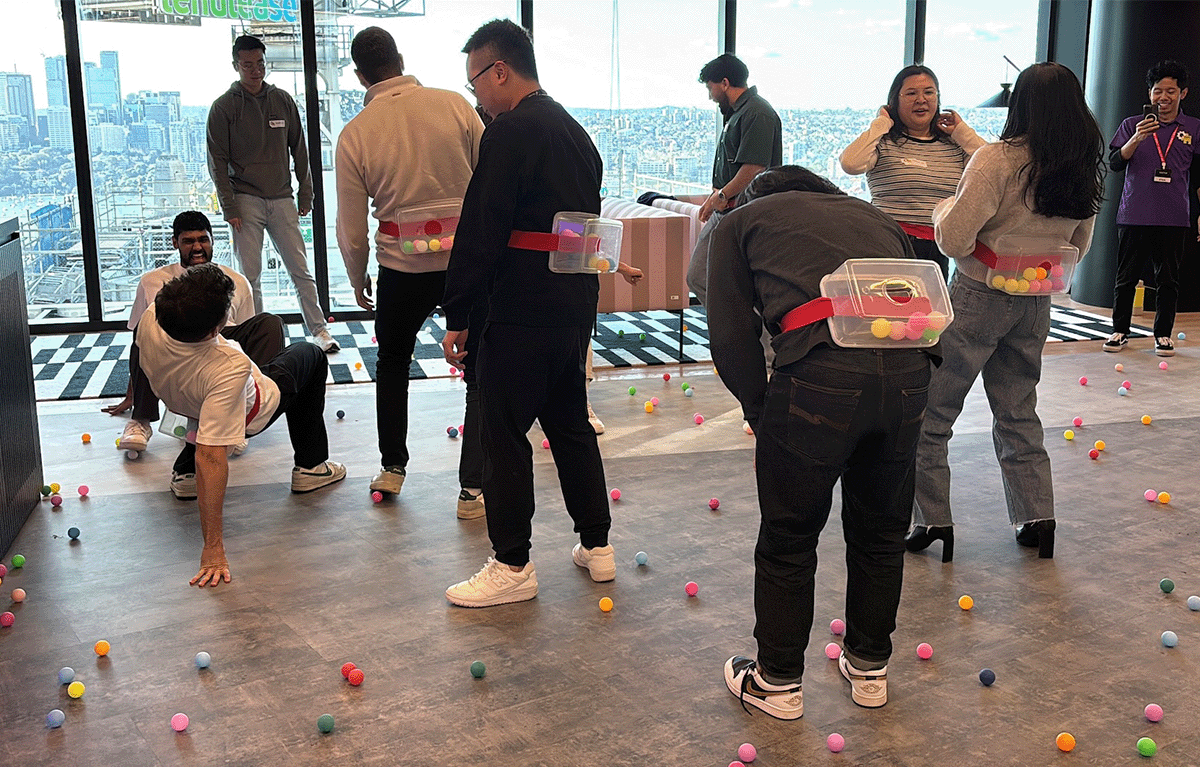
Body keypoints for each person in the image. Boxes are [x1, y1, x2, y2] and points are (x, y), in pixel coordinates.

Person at [708, 165, 935, 719]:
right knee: (881, 533)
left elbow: (730, 327)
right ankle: (869, 668)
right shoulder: (878, 218)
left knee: (789, 536)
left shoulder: (739, 222)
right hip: (909, 376)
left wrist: (759, 407)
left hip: (818, 379)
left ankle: (778, 683)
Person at [440, 19, 613, 608]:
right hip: (571, 301)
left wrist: (459, 312)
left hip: (519, 305)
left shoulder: (510, 131)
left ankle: (511, 563)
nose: (477, 98)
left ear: (500, 71)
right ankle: (597, 545)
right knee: (568, 422)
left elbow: (483, 226)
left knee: (502, 430)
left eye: (475, 84)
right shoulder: (574, 131)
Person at [908, 62, 1105, 561]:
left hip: (978, 299)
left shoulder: (996, 160)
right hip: (1036, 303)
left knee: (931, 413)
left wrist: (940, 209)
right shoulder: (1080, 163)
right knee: (1018, 411)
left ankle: (932, 521)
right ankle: (1037, 519)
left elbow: (954, 239)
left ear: (1020, 104)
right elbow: (1079, 245)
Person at [334, 26, 484, 508]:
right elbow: (491, 180)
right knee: (478, 369)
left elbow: (352, 230)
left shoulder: (355, 135)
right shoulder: (456, 107)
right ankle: (474, 483)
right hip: (467, 263)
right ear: (400, 58)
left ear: (359, 76)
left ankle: (393, 466)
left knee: (394, 363)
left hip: (400, 270)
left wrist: (357, 277)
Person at [137, 263, 346, 587]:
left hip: (181, 399)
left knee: (214, 405)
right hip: (256, 408)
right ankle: (311, 467)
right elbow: (211, 455)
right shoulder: (228, 364)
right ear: (215, 329)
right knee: (309, 355)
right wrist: (213, 549)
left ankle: (184, 472)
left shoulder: (150, 317)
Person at [103, 212, 284, 501]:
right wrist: (132, 395)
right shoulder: (152, 282)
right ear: (175, 242)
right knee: (143, 331)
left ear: (213, 241)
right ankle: (141, 421)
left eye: (203, 240)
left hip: (221, 350)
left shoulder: (237, 281)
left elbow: (246, 334)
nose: (197, 247)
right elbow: (140, 341)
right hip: (177, 351)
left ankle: (238, 413)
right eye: (188, 241)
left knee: (270, 325)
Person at [206, 34, 339, 353]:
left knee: (300, 269)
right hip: (245, 201)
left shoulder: (282, 100)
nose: (255, 70)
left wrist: (306, 193)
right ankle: (257, 337)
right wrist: (229, 206)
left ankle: (319, 330)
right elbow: (217, 161)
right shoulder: (224, 107)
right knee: (249, 276)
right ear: (236, 65)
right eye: (248, 65)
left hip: (282, 198)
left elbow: (301, 150)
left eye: (260, 64)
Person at [840, 65, 987, 279]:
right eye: (911, 93)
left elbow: (991, 169)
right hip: (887, 243)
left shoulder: (955, 146)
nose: (921, 100)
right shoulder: (884, 142)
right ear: (895, 101)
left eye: (929, 92)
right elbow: (850, 163)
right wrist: (882, 122)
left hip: (936, 250)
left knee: (930, 312)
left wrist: (963, 133)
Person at [1103, 60, 1200, 357]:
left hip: (1174, 216)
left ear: (1182, 93)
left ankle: (1163, 335)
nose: (1164, 97)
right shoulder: (1132, 125)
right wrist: (1137, 138)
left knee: (1168, 279)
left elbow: (1199, 175)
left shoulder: (1194, 128)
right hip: (1134, 213)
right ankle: (1119, 330)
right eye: (1158, 91)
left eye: (1171, 91)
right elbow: (1115, 163)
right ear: (1150, 94)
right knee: (1126, 277)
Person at [687, 54, 782, 308]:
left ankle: (741, 331)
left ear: (725, 83)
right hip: (730, 207)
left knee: (702, 276)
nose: (710, 95)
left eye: (711, 87)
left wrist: (720, 197)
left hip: (743, 209)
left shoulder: (757, 113)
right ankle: (736, 330)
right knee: (702, 277)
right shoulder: (740, 113)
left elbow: (753, 168)